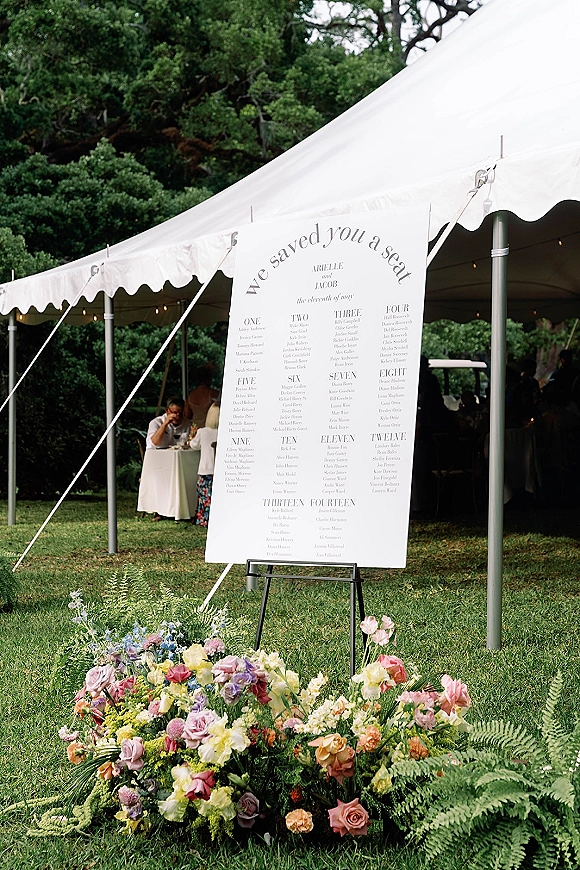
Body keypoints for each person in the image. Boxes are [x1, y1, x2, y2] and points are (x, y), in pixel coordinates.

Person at [189, 402, 219, 526]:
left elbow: (193, 445)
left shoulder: (203, 432)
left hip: (206, 469)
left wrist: (191, 438)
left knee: (204, 497)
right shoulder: (226, 432)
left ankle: (204, 519)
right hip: (219, 470)